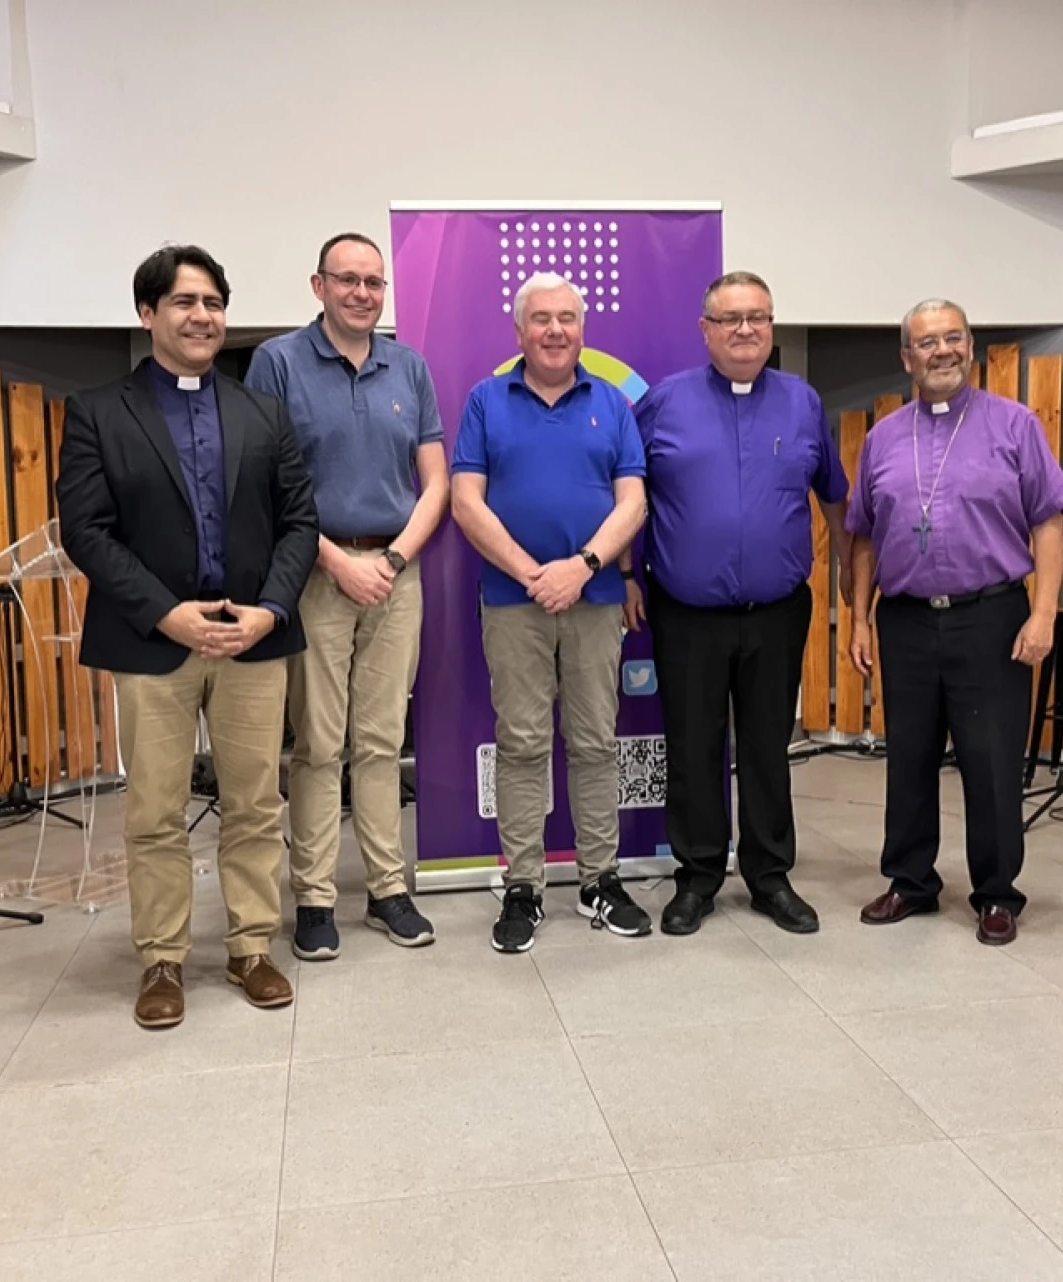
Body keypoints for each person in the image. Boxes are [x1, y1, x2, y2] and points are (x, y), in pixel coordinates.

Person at [57, 245, 319, 1027]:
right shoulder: (99, 410)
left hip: (250, 638)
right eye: (182, 302)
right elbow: (87, 531)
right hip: (153, 640)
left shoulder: (262, 411)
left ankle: (250, 947)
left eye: (212, 302)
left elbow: (299, 521)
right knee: (155, 810)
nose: (201, 316)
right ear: (148, 314)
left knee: (253, 802)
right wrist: (165, 611)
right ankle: (163, 960)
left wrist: (270, 609)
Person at [624, 270, 849, 937]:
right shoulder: (663, 403)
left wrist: (842, 564)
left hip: (777, 610)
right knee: (693, 747)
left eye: (757, 317)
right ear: (706, 331)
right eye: (730, 319)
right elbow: (626, 494)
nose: (745, 329)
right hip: (686, 611)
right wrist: (627, 575)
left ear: (771, 326)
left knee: (765, 747)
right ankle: (696, 878)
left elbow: (832, 491)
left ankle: (769, 875)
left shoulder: (802, 402)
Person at [844, 298, 1063, 945]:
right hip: (906, 620)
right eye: (925, 342)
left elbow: (1047, 521)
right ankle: (911, 882)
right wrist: (859, 620)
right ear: (905, 358)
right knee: (908, 758)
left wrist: (1042, 613)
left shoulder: (1014, 425)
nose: (940, 350)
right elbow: (861, 536)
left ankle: (997, 892)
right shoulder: (882, 438)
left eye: (952, 338)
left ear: (969, 347)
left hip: (991, 617)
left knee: (991, 760)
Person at [245, 233, 449, 961]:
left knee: (381, 740)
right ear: (318, 285)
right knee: (319, 744)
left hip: (396, 574)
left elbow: (437, 483)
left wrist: (392, 559)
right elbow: (267, 484)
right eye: (348, 280)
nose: (363, 293)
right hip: (316, 573)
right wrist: (336, 562)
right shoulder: (277, 363)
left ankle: (388, 889)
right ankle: (315, 899)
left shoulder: (409, 366)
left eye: (374, 281)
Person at [450, 272, 651, 953]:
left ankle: (600, 879)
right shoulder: (486, 400)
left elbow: (632, 502)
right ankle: (524, 888)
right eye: (541, 319)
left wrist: (582, 567)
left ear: (582, 329)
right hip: (513, 601)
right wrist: (533, 573)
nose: (555, 330)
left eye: (567, 318)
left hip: (593, 601)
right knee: (523, 743)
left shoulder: (613, 404)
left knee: (595, 741)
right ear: (519, 331)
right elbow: (465, 501)